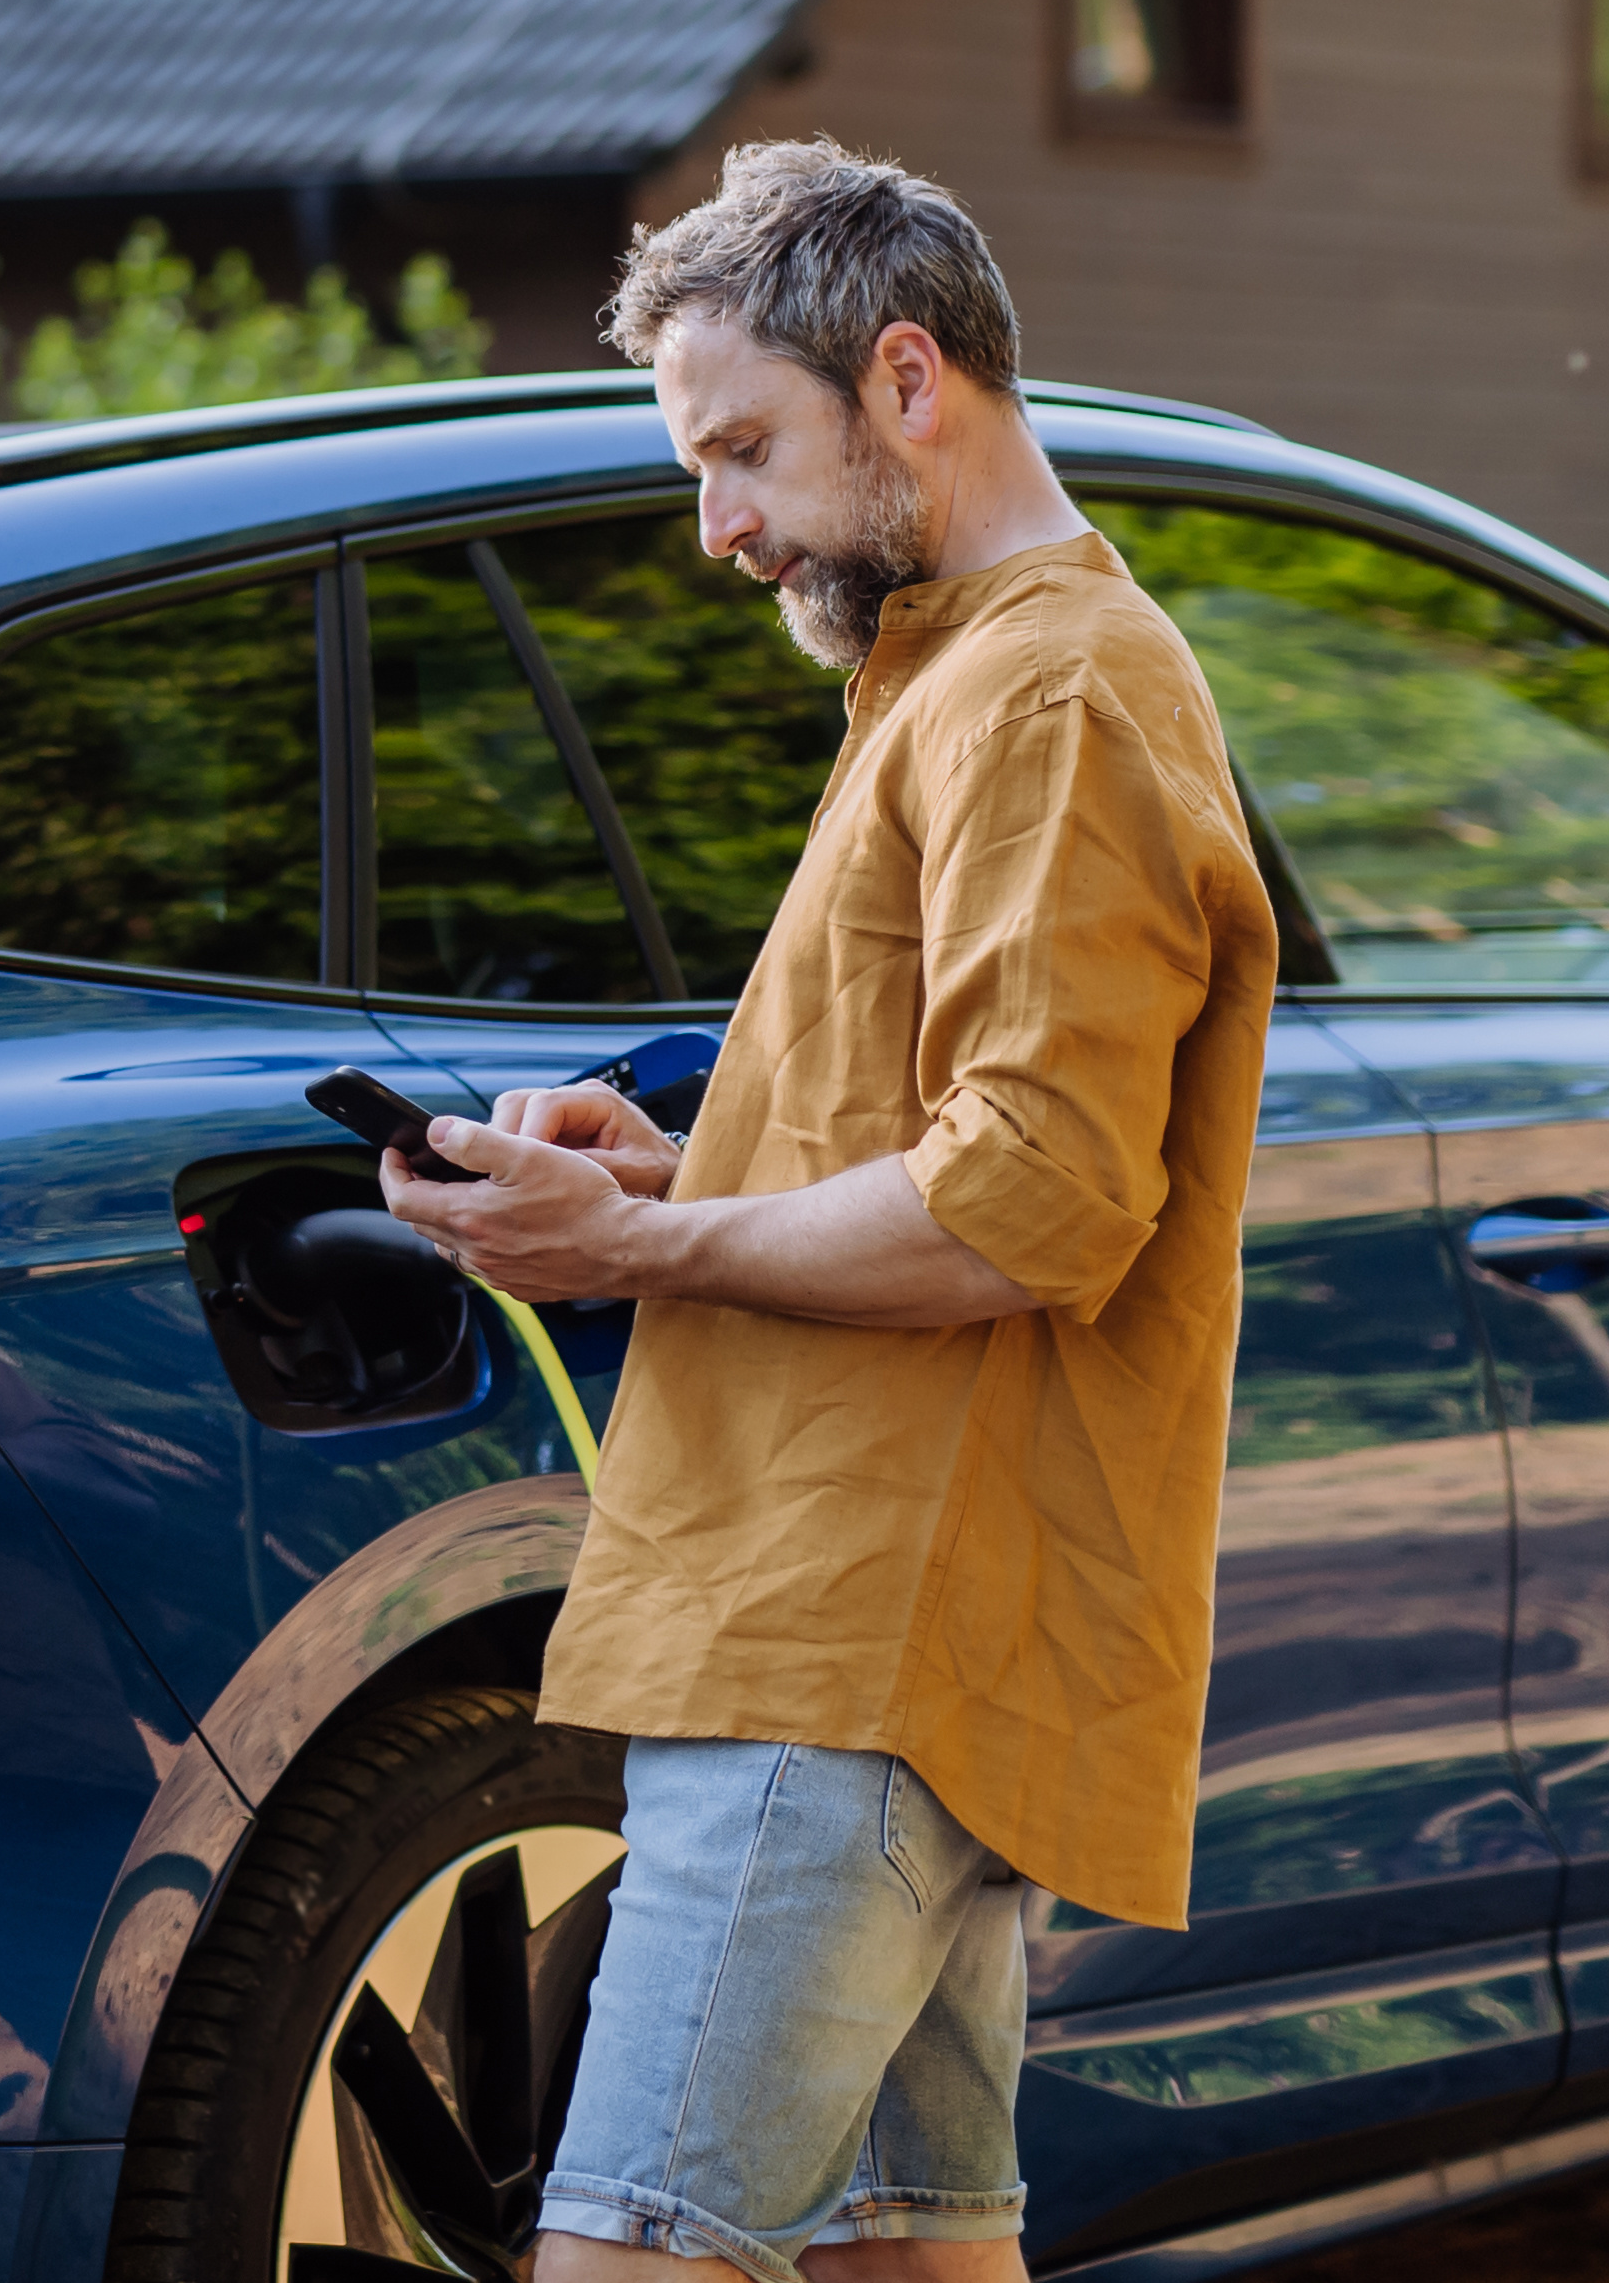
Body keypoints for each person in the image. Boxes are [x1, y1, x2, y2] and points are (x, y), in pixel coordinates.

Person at [383, 139, 1275, 2283]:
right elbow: (967, 1140)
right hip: (890, 1630)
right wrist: (687, 1170)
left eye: (744, 448)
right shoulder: (975, 670)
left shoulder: (1046, 688)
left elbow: (1033, 1205)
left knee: (634, 2254)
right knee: (906, 2251)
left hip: (847, 1636)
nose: (720, 522)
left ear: (905, 378)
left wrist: (635, 1250)